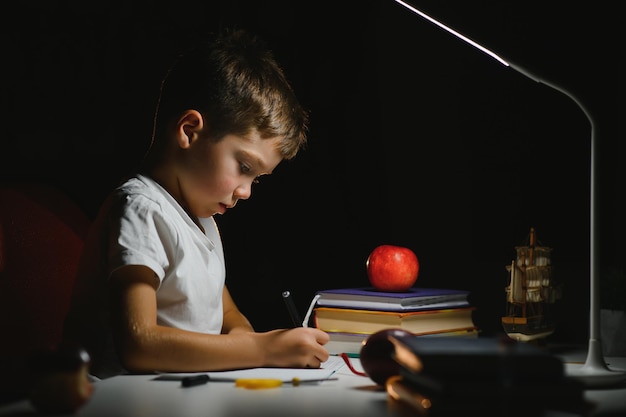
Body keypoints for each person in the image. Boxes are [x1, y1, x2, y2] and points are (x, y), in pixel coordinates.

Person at [63, 29, 330, 379]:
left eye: (257, 179)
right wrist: (261, 348)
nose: (247, 191)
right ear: (190, 130)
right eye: (244, 167)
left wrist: (245, 341)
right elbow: (139, 345)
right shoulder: (142, 210)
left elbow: (230, 317)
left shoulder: (200, 220)